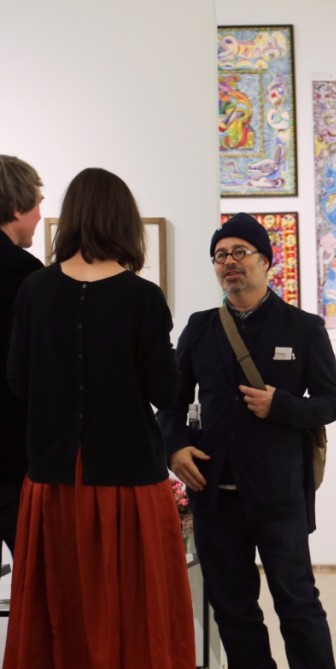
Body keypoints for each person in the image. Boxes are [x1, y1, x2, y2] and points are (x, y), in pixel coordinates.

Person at [4, 167, 194, 668]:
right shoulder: (142, 297)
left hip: (54, 478)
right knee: (133, 608)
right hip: (128, 481)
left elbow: (19, 383)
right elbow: (165, 390)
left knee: (60, 610)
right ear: (123, 222)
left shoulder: (36, 290)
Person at [157, 213, 336, 669]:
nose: (229, 263)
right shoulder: (200, 328)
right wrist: (175, 447)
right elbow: (171, 402)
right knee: (234, 610)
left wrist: (280, 405)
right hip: (214, 497)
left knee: (297, 604)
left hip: (279, 495)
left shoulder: (303, 328)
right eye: (221, 255)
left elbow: (331, 403)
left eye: (240, 252)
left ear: (266, 262)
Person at [0, 155, 44, 553]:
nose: (40, 216)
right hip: (14, 456)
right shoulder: (28, 275)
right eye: (37, 203)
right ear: (16, 207)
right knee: (36, 583)